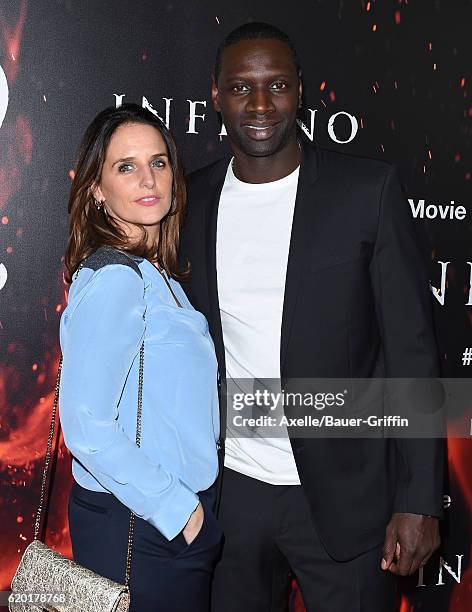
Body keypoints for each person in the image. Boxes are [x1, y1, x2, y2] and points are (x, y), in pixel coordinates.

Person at [179, 23, 443, 612]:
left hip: (347, 496)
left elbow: (412, 352)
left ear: (301, 90)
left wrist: (420, 498)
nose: (259, 104)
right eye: (241, 87)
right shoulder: (188, 203)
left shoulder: (365, 191)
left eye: (275, 86)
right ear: (216, 95)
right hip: (231, 497)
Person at [59, 103, 222, 612]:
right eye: (125, 166)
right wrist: (179, 511)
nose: (147, 178)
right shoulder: (115, 281)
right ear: (97, 189)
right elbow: (85, 425)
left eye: (159, 162)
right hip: (143, 523)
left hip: (165, 520)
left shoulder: (159, 277)